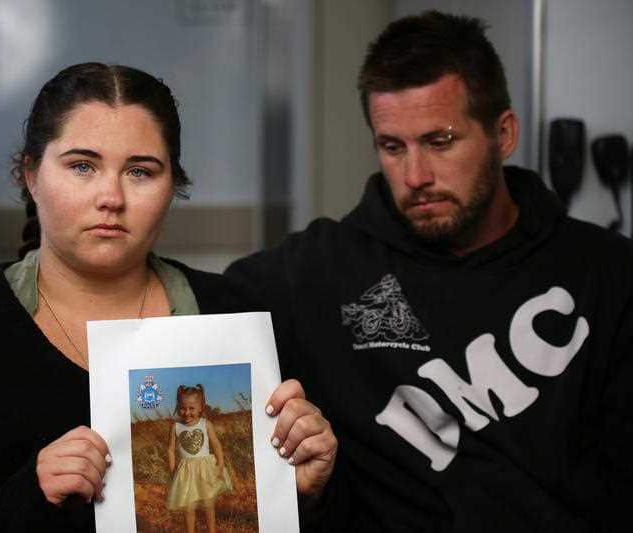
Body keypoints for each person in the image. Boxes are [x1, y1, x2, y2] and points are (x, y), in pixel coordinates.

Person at [0, 62, 337, 532]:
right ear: (31, 176)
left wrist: (301, 494)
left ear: (172, 187)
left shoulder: (238, 319)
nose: (112, 198)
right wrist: (28, 498)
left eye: (140, 171)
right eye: (82, 166)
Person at [225, 10, 633, 532]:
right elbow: (174, 307)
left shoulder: (605, 273)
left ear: (503, 134)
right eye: (393, 147)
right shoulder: (322, 270)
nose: (415, 176)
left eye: (440, 142)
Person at [166, 384, 232, 533]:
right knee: (189, 507)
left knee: (209, 505)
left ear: (201, 407)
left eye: (191, 408)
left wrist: (220, 466)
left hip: (205, 470)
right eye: (183, 408)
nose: (186, 412)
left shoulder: (206, 424)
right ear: (178, 406)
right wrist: (172, 470)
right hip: (186, 473)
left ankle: (212, 530)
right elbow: (170, 450)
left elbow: (217, 446)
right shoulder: (176, 427)